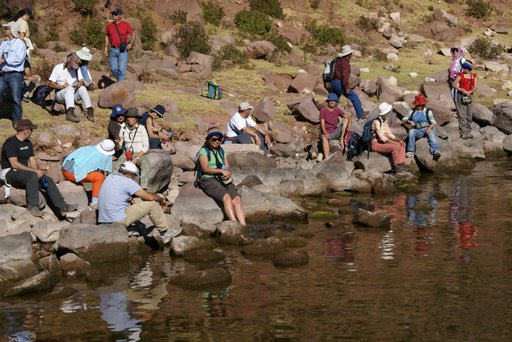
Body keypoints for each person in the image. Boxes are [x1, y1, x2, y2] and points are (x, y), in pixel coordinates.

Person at [0, 119, 78, 218]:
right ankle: (32, 206)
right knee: (32, 176)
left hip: (24, 173)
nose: (32, 132)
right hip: (10, 173)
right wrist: (34, 172)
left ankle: (63, 206)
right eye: (31, 130)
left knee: (47, 179)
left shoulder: (27, 143)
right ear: (25, 130)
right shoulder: (10, 143)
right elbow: (14, 164)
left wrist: (39, 172)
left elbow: (32, 160)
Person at [98, 161, 176, 249]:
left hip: (104, 219)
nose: (133, 178)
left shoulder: (109, 177)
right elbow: (149, 197)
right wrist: (161, 200)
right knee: (152, 204)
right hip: (117, 221)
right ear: (128, 174)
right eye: (133, 176)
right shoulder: (127, 182)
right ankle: (164, 233)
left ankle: (129, 228)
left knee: (128, 205)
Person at [196, 127, 246, 226]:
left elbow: (227, 166)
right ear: (208, 139)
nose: (217, 141)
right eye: (214, 139)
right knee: (226, 197)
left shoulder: (221, 151)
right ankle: (235, 225)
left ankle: (243, 225)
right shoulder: (203, 151)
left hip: (222, 178)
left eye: (219, 139)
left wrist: (228, 173)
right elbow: (205, 168)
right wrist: (220, 170)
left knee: (237, 199)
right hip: (207, 179)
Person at [62, 139, 115, 206]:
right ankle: (95, 202)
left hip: (65, 169)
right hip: (72, 174)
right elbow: (102, 170)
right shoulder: (101, 156)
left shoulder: (88, 148)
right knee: (99, 177)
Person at [48, 53, 94, 123]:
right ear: (68, 62)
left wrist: (80, 83)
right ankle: (70, 113)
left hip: (72, 93)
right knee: (69, 88)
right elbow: (50, 84)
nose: (72, 67)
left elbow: (81, 80)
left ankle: (89, 109)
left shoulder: (76, 69)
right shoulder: (58, 68)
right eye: (71, 65)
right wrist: (62, 86)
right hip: (60, 94)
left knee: (82, 88)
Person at [0, 21, 27, 127]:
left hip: (15, 75)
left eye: (7, 28)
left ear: (12, 30)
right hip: (3, 74)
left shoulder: (20, 44)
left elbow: (19, 59)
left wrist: (4, 60)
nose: (5, 30)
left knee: (16, 98)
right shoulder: (4, 43)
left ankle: (17, 120)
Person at [117, 107, 150, 188]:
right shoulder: (123, 128)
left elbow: (146, 146)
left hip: (139, 153)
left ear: (136, 119)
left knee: (146, 165)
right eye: (128, 117)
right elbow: (119, 147)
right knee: (117, 166)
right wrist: (117, 144)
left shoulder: (141, 128)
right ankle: (116, 185)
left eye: (131, 117)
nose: (129, 119)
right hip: (127, 153)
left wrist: (137, 158)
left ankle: (143, 188)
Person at [402, 94, 441, 161]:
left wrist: (429, 128)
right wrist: (409, 121)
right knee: (411, 131)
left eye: (420, 105)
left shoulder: (428, 112)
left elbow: (434, 122)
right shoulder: (412, 111)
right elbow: (404, 119)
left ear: (423, 105)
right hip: (418, 130)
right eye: (417, 105)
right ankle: (410, 151)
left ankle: (435, 151)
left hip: (428, 129)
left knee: (432, 137)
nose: (418, 107)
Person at [371, 102, 407, 173]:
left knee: (402, 144)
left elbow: (389, 133)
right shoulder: (376, 122)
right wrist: (392, 142)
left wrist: (398, 140)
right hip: (376, 143)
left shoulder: (384, 121)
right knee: (394, 147)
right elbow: (381, 136)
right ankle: (395, 166)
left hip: (382, 142)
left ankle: (401, 163)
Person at [331, 45, 365, 119]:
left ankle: (331, 114)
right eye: (350, 54)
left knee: (334, 99)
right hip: (339, 82)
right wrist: (346, 87)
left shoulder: (338, 60)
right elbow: (345, 76)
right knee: (353, 96)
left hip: (333, 82)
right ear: (349, 55)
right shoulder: (345, 63)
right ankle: (360, 113)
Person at [105, 8, 135, 81]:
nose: (113, 15)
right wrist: (106, 47)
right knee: (113, 69)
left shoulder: (126, 25)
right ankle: (121, 81)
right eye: (113, 14)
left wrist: (131, 44)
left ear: (120, 16)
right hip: (113, 49)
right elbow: (106, 35)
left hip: (122, 50)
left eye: (115, 14)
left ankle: (121, 85)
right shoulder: (109, 25)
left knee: (122, 69)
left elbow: (133, 34)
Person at [316, 93, 348, 161]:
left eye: (334, 100)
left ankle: (342, 139)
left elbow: (346, 116)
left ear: (336, 102)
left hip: (335, 132)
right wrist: (325, 133)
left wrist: (347, 118)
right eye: (331, 100)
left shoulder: (337, 109)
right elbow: (322, 124)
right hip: (327, 133)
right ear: (327, 101)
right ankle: (327, 158)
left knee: (346, 121)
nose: (332, 102)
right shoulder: (323, 111)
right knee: (324, 138)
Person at [452, 62, 477, 140]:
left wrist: (470, 91)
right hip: (461, 95)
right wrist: (460, 89)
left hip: (470, 96)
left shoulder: (473, 76)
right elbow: (453, 84)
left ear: (468, 69)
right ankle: (463, 132)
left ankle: (468, 131)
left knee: (469, 114)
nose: (463, 70)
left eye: (465, 69)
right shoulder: (460, 75)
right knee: (462, 113)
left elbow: (475, 87)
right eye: (463, 68)